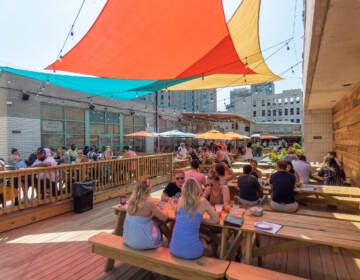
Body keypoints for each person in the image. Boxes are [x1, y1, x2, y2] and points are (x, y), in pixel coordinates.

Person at [170, 178, 219, 259]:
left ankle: (202, 242)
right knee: (205, 237)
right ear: (197, 188)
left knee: (197, 235)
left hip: (174, 249)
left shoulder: (180, 200)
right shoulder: (202, 202)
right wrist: (201, 219)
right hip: (192, 253)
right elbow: (216, 220)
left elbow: (176, 216)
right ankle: (211, 251)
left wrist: (198, 220)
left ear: (184, 189)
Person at [123, 178, 168, 250]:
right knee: (161, 223)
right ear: (148, 189)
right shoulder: (149, 202)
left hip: (128, 239)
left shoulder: (131, 200)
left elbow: (141, 216)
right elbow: (164, 218)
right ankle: (170, 242)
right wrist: (166, 208)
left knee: (154, 221)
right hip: (145, 242)